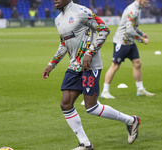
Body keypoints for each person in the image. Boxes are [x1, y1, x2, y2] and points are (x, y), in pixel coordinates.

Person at [42, 0, 140, 149]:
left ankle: (131, 121)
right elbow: (64, 43)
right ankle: (86, 144)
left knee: (91, 107)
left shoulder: (82, 12)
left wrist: (90, 53)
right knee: (66, 104)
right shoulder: (58, 20)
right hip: (74, 66)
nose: (55, 0)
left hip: (90, 65)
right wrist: (51, 64)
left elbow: (104, 29)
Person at [100, 0, 155, 99]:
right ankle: (105, 91)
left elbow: (133, 27)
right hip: (121, 42)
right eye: (146, 0)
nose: (148, 2)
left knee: (137, 63)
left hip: (130, 41)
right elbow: (129, 30)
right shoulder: (133, 10)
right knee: (115, 66)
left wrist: (142, 33)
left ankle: (140, 89)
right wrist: (142, 39)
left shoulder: (138, 9)